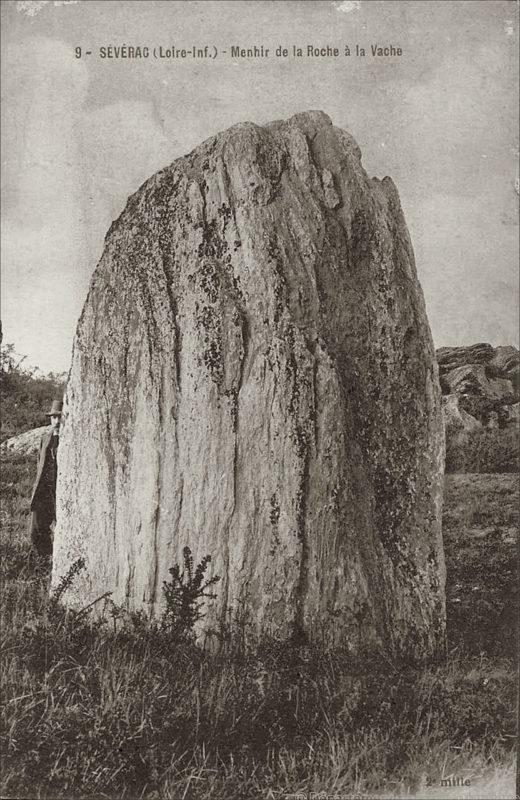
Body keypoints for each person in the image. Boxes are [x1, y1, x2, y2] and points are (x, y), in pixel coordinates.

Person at [29, 399, 62, 558]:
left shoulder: (67, 439)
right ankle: (45, 560)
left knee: (60, 527)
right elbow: (39, 464)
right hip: (44, 489)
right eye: (53, 417)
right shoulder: (45, 438)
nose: (56, 421)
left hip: (59, 489)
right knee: (36, 528)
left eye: (59, 417)